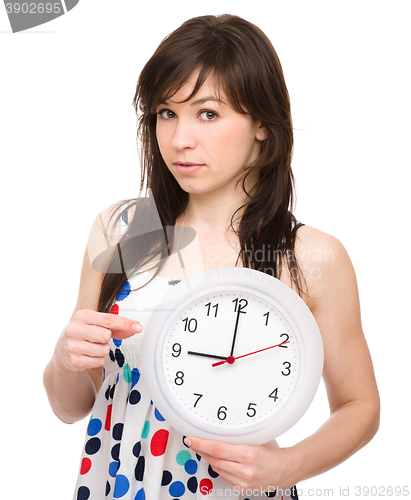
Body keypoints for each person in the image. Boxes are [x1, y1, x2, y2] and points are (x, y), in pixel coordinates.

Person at [43, 14, 380, 500]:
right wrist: (63, 356)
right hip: (119, 485)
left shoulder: (308, 255)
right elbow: (70, 406)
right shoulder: (120, 229)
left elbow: (359, 406)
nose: (179, 140)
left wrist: (285, 467)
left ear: (263, 125)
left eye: (207, 114)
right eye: (166, 113)